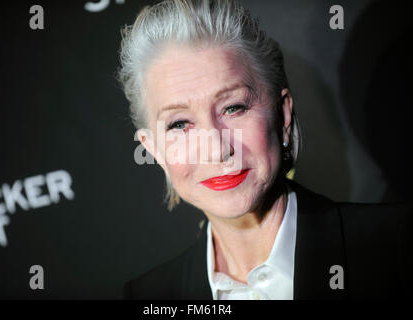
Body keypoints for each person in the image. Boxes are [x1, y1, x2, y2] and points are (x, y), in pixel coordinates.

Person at [117, 0, 413, 300]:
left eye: (233, 108)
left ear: (282, 115)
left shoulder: (397, 249)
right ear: (153, 150)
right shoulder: (147, 296)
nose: (217, 150)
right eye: (179, 124)